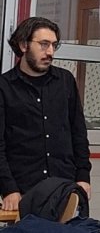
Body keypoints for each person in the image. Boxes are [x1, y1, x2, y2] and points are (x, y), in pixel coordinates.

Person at [0, 16, 92, 211]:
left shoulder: (65, 81)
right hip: (23, 191)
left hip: (66, 187)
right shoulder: (4, 87)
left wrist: (83, 177)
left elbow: (78, 132)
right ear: (23, 45)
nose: (50, 52)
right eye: (43, 44)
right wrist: (8, 188)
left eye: (54, 45)